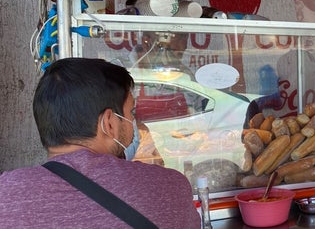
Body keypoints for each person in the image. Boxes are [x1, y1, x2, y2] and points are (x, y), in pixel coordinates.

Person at [0, 58, 200, 228]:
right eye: (131, 113)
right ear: (109, 123)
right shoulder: (168, 187)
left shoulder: (6, 193)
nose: (135, 123)